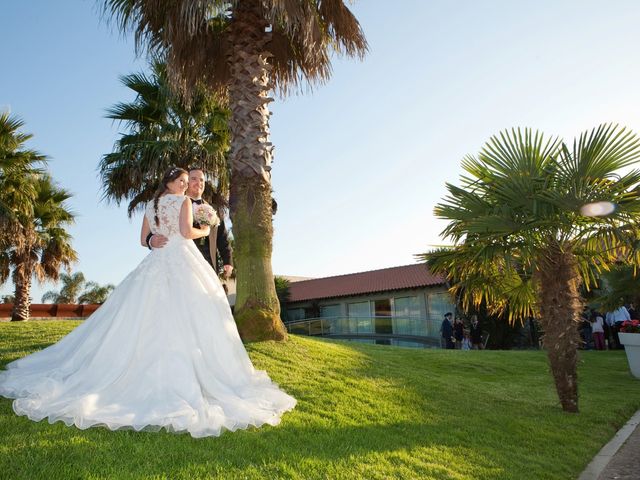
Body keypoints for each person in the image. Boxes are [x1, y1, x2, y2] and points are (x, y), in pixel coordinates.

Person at [0, 167, 296, 438]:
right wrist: (204, 229)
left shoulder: (151, 205)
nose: (185, 185)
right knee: (192, 309)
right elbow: (184, 232)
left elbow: (143, 239)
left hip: (156, 262)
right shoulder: (181, 202)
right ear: (170, 183)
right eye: (181, 181)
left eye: (186, 182)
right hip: (181, 257)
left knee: (141, 310)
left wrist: (153, 241)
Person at [148, 167, 233, 278]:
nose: (199, 183)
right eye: (194, 179)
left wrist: (228, 261)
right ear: (187, 182)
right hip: (181, 264)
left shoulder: (213, 209)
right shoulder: (174, 204)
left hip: (208, 265)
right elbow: (157, 226)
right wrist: (150, 240)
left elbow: (222, 238)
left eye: (201, 180)